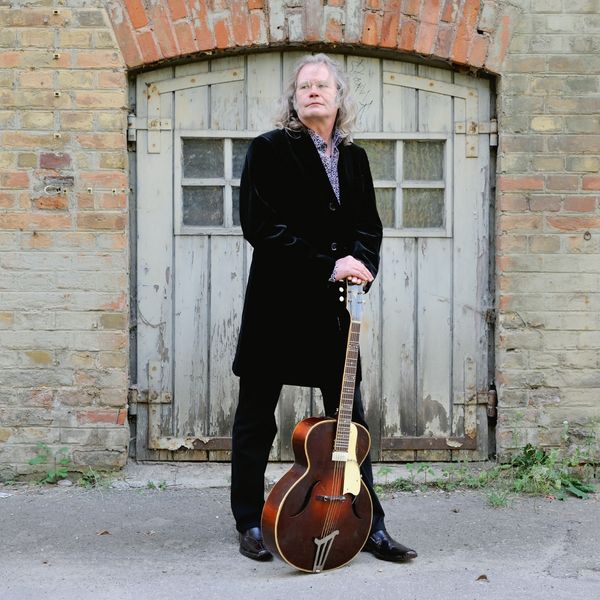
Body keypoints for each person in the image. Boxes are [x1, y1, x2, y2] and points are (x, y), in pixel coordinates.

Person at [230, 53, 417, 564]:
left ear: (338, 97)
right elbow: (260, 226)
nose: (313, 91)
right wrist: (329, 265)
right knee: (255, 418)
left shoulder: (355, 158)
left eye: (322, 85)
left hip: (334, 314)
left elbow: (368, 227)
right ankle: (249, 521)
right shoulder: (269, 149)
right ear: (294, 100)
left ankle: (369, 523)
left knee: (349, 423)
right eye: (304, 86)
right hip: (275, 308)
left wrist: (362, 266)